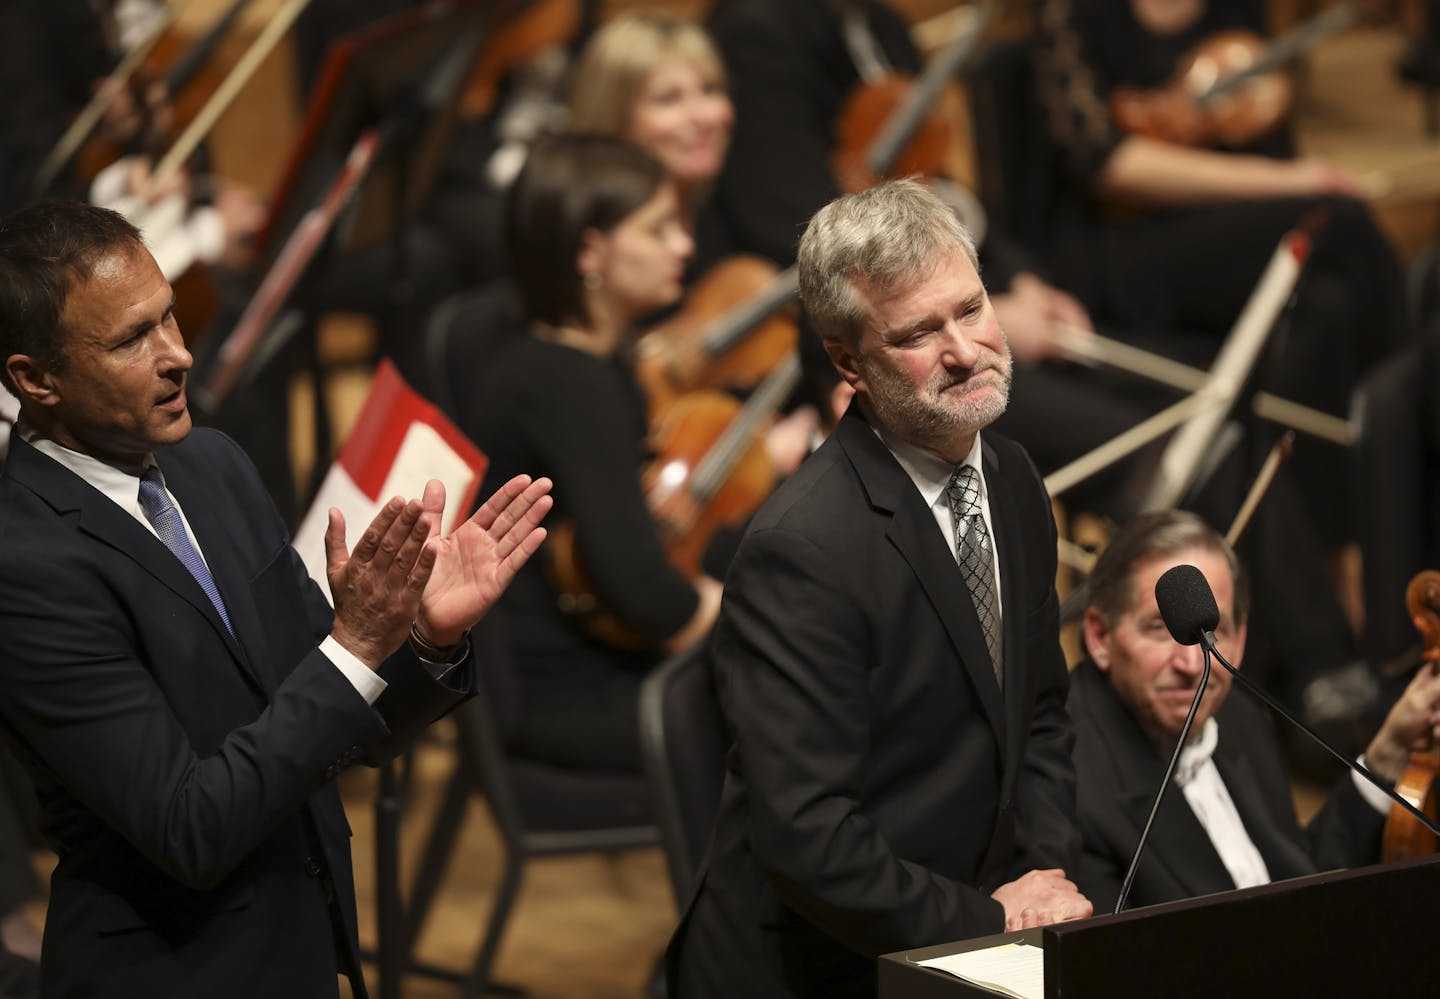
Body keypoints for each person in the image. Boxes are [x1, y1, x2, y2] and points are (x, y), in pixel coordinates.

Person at [0, 200, 552, 997]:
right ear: (34, 378)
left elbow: (324, 713)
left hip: (299, 950)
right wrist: (356, 645)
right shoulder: (25, 565)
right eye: (132, 339)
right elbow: (189, 826)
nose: (179, 354)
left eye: (170, 318)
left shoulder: (211, 464)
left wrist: (421, 639)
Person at [669, 179, 1091, 998]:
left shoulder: (1011, 477)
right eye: (918, 334)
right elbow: (810, 836)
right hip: (829, 964)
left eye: (970, 309)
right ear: (846, 361)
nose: (964, 349)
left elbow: (1040, 714)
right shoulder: (802, 550)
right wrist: (988, 919)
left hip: (981, 927)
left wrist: (1044, 877)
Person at [457, 134, 722, 774]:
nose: (683, 245)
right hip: (578, 690)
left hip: (590, 659)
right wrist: (739, 620)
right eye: (658, 230)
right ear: (590, 250)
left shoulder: (568, 356)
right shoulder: (569, 387)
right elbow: (646, 593)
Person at [1070, 509, 1440, 912]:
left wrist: (1389, 751)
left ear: (1241, 639)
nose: (1192, 664)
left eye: (1213, 632)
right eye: (1161, 630)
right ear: (1100, 636)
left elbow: (1301, 883)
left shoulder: (1236, 714)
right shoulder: (1069, 775)